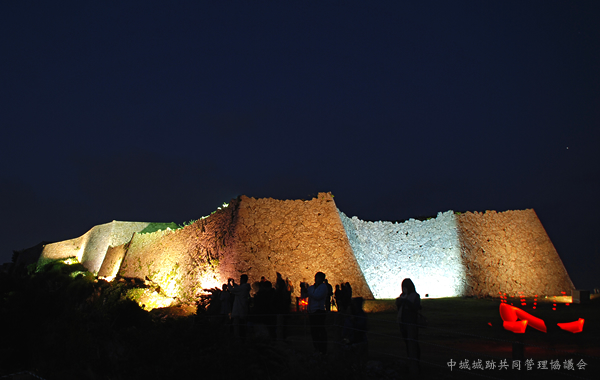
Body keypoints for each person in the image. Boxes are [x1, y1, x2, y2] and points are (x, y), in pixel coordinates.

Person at [396, 278, 421, 375]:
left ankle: (415, 362)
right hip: (403, 322)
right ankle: (410, 359)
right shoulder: (403, 296)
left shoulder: (415, 296)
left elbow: (415, 307)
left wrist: (405, 301)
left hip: (411, 323)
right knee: (407, 342)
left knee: (413, 343)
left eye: (405, 287)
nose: (404, 289)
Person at [307, 271, 328, 355]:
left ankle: (322, 350)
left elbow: (318, 296)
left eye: (318, 278)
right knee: (314, 331)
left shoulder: (323, 287)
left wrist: (309, 292)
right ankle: (316, 348)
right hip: (312, 311)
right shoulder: (312, 287)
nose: (316, 279)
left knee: (320, 331)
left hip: (319, 311)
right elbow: (306, 295)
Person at [228, 274, 251, 339]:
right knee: (243, 326)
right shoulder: (245, 288)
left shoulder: (242, 288)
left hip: (238, 311)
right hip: (243, 310)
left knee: (237, 327)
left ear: (242, 280)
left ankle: (238, 340)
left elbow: (232, 290)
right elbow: (238, 288)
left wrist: (228, 283)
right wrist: (234, 284)